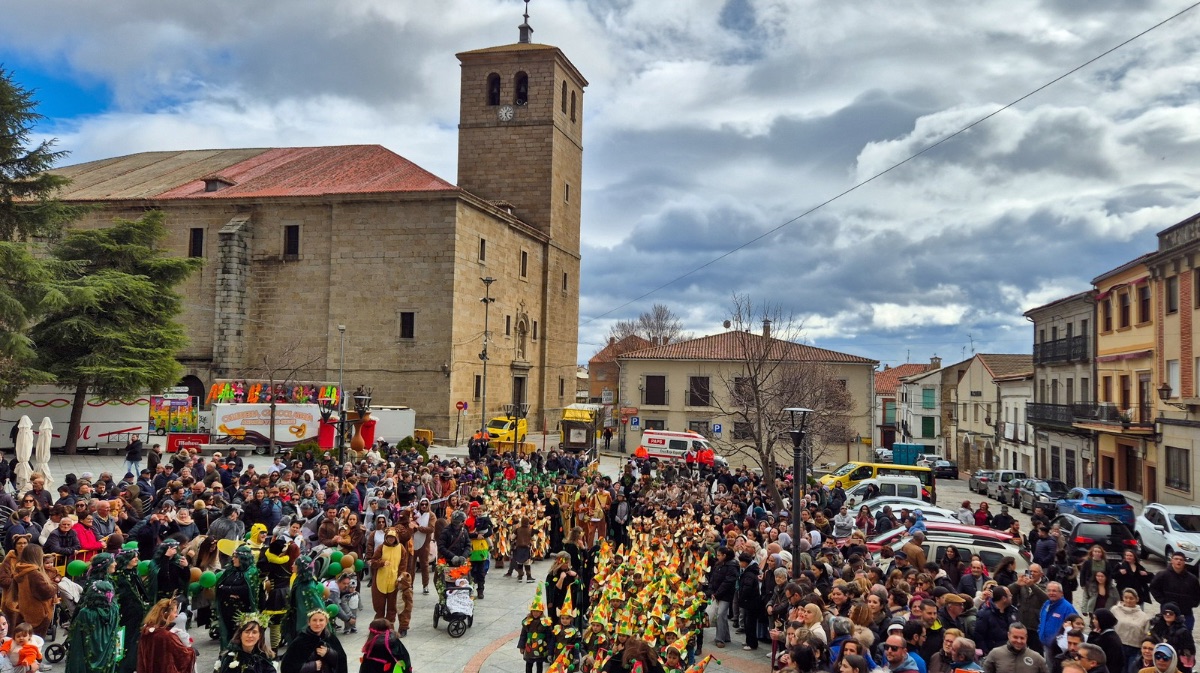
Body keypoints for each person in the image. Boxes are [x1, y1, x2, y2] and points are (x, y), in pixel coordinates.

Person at [65, 579, 120, 673]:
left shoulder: (86, 613)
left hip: (87, 654)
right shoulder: (114, 610)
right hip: (107, 654)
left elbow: (78, 639)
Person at [136, 597, 197, 673]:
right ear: (166, 614)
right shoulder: (167, 636)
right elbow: (183, 657)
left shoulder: (146, 632)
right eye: (175, 612)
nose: (176, 615)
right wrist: (192, 651)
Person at [279, 608, 349, 673]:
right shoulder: (301, 640)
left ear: (326, 622)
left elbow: (342, 661)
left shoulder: (330, 638)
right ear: (309, 622)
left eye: (321, 620)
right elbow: (287, 667)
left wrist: (329, 653)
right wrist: (312, 666)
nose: (317, 624)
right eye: (314, 620)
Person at [1149, 553, 1200, 631]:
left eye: (1181, 560)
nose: (1178, 561)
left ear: (1184, 562)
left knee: (1186, 632)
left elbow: (1197, 593)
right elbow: (1153, 588)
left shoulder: (1192, 579)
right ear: (1171, 560)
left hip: (1186, 612)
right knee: (1167, 633)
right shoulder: (1162, 575)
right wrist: (1163, 601)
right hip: (1168, 612)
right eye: (1176, 559)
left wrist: (1192, 603)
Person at [707, 547, 738, 649]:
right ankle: (726, 636)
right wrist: (711, 591)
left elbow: (727, 582)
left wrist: (717, 593)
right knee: (722, 616)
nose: (717, 557)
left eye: (719, 555)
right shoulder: (718, 564)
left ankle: (719, 639)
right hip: (716, 593)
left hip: (725, 595)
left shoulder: (732, 566)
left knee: (720, 615)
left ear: (724, 555)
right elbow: (712, 578)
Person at [984, 623, 1049, 673]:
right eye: (1015, 637)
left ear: (1026, 638)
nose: (1019, 641)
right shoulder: (995, 654)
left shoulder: (1037, 658)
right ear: (1009, 635)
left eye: (1022, 638)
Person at [1039, 582, 1079, 653]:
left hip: (1060, 648)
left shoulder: (1068, 608)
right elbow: (1041, 620)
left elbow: (1075, 627)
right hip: (1047, 644)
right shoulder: (1046, 604)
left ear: (1061, 593)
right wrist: (1040, 632)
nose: (1051, 593)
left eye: (1054, 591)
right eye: (1049, 590)